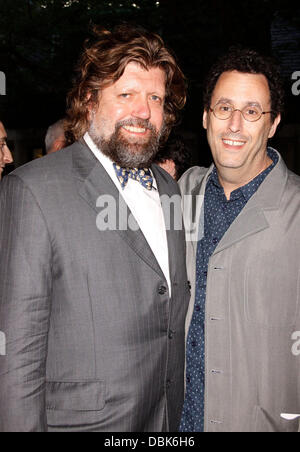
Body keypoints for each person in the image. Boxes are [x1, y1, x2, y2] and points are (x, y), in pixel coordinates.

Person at [0, 25, 190, 432]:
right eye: (126, 95)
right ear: (89, 101)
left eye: (155, 98)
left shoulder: (170, 189)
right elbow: (17, 355)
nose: (143, 111)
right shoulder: (32, 190)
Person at [179, 47, 300, 432]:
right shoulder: (180, 195)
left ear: (274, 123)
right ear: (205, 116)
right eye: (223, 108)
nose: (234, 125)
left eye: (251, 112)